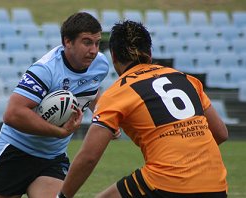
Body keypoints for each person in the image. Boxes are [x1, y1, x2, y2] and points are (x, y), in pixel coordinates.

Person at [58, 20, 228, 198]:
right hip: (216, 185)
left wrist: (61, 196)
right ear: (150, 53)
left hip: (165, 182)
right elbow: (221, 133)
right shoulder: (186, 79)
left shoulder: (117, 93)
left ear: (114, 56)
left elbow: (89, 157)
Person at [0, 12, 110, 198]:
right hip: (15, 151)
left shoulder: (100, 64)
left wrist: (104, 116)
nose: (93, 50)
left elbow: (91, 90)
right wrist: (60, 132)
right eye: (87, 42)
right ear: (67, 42)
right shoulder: (46, 70)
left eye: (97, 43)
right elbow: (13, 114)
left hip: (52, 158)